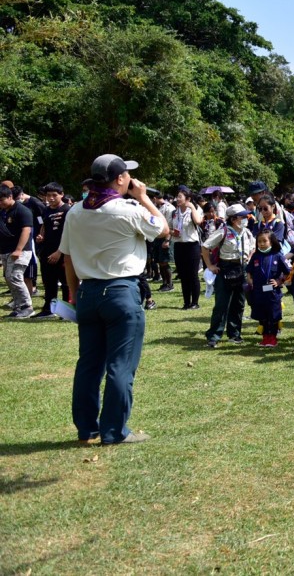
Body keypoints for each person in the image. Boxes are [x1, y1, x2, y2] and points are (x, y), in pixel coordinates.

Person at [60, 154, 168, 445]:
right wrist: (144, 198)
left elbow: (68, 259)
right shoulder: (127, 209)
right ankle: (114, 431)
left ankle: (87, 428)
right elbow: (163, 229)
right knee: (120, 365)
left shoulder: (75, 211)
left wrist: (73, 295)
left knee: (89, 364)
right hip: (120, 290)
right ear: (120, 179)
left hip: (88, 292)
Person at [202, 204, 256, 348]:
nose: (246, 218)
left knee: (238, 304)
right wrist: (210, 266)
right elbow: (205, 246)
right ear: (233, 219)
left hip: (242, 268)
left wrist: (249, 257)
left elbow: (253, 247)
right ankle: (214, 335)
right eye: (243, 216)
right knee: (222, 304)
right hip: (226, 268)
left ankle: (235, 334)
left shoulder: (247, 232)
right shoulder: (223, 231)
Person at [34, 182, 71, 318]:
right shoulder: (46, 209)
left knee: (66, 283)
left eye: (54, 195)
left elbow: (69, 233)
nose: (51, 198)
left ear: (61, 194)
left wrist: (59, 252)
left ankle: (67, 311)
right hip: (47, 251)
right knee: (49, 282)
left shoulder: (67, 210)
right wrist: (41, 235)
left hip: (63, 252)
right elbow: (44, 225)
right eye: (48, 195)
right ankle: (48, 309)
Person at [247, 231, 289, 348]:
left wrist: (279, 281)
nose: (261, 244)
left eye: (264, 241)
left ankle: (273, 337)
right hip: (259, 293)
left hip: (272, 293)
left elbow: (287, 272)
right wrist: (250, 281)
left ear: (271, 241)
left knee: (273, 316)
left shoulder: (278, 255)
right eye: (259, 241)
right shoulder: (255, 256)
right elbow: (249, 271)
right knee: (262, 316)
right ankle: (265, 337)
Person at [0, 183, 35, 318]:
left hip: (20, 251)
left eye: (2, 200)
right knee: (9, 278)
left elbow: (26, 230)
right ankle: (18, 306)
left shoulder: (22, 210)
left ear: (10, 197)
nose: (0, 203)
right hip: (6, 250)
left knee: (15, 276)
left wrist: (18, 249)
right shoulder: (3, 212)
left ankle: (27, 307)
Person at [170, 187, 203, 310]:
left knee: (192, 275)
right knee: (183, 275)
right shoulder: (174, 212)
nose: (177, 199)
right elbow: (169, 228)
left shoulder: (193, 210)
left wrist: (192, 207)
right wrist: (173, 233)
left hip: (192, 246)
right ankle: (186, 302)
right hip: (179, 245)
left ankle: (195, 302)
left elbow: (198, 221)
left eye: (180, 197)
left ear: (188, 199)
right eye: (177, 196)